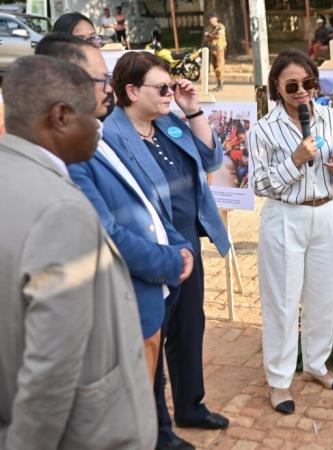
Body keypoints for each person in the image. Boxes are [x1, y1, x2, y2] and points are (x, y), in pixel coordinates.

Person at [0, 55, 156, 450]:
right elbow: (50, 371)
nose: (99, 129)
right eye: (94, 116)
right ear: (61, 117)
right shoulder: (61, 211)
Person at [36, 32, 196, 386]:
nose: (109, 88)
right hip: (127, 303)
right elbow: (105, 233)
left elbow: (142, 201)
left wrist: (177, 242)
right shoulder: (69, 151)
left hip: (152, 292)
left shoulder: (95, 132)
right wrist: (171, 261)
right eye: (100, 79)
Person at [103, 51, 231, 449]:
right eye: (162, 88)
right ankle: (158, 430)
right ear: (130, 91)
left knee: (190, 327)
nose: (169, 93)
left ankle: (191, 406)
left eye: (171, 86)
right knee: (153, 339)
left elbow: (212, 157)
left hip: (188, 244)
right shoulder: (112, 137)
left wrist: (192, 111)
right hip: (151, 253)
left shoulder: (170, 122)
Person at [248, 48, 333, 415]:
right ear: (277, 88)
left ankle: (316, 364)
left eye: (308, 82)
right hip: (285, 217)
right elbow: (261, 184)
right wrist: (295, 160)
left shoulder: (331, 117)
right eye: (291, 84)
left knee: (325, 295)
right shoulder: (263, 129)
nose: (301, 91)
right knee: (281, 301)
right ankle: (279, 382)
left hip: (327, 212)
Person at [204, 12, 226, 91]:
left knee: (219, 67)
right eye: (210, 18)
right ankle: (218, 83)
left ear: (216, 18)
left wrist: (210, 35)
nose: (211, 20)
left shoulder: (220, 27)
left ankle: (221, 84)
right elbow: (207, 38)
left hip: (219, 49)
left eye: (212, 18)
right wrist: (209, 36)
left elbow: (219, 36)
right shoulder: (210, 28)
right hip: (212, 49)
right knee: (215, 66)